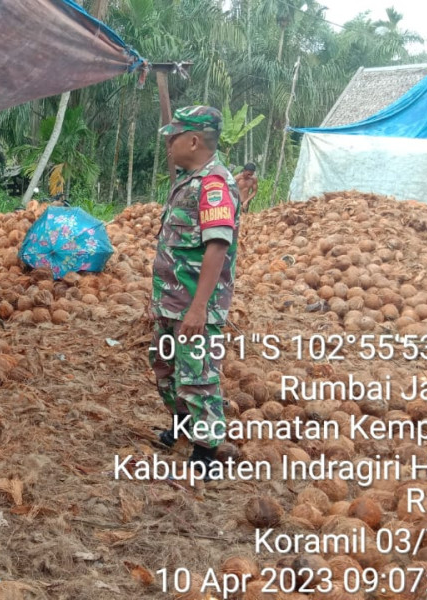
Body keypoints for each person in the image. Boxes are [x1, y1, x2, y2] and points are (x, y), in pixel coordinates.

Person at [151, 106, 240, 476]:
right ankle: (183, 426)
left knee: (199, 375)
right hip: (172, 300)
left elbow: (217, 247)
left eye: (173, 137)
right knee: (166, 370)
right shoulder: (190, 179)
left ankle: (207, 451)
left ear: (193, 140)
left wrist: (199, 308)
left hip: (193, 303)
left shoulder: (214, 184)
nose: (169, 144)